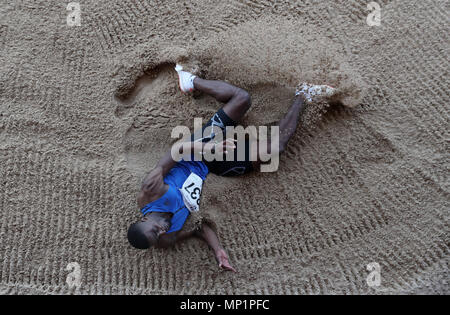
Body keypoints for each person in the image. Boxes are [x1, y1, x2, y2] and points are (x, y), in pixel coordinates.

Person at [127, 64, 336, 272]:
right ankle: (304, 93)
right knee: (275, 148)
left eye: (155, 230)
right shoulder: (167, 238)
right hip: (212, 168)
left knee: (242, 99)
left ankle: (190, 80)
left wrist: (210, 146)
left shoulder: (150, 191)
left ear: (144, 219)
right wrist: (218, 250)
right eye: (157, 237)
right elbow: (198, 228)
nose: (161, 231)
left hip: (197, 151)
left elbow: (177, 150)